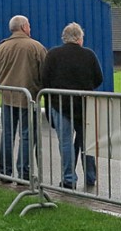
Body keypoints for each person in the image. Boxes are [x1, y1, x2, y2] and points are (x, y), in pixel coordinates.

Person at [40, 23, 102, 189]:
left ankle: (69, 179)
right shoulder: (89, 55)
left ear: (64, 38)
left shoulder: (53, 54)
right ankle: (90, 176)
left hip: (60, 104)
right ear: (79, 38)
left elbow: (44, 79)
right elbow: (99, 78)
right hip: (83, 105)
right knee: (86, 142)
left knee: (65, 142)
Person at [0, 15, 47, 183]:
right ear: (23, 27)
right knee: (27, 136)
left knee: (7, 134)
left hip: (7, 97)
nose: (30, 28)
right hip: (29, 98)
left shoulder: (1, 48)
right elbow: (44, 73)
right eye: (29, 25)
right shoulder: (36, 47)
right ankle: (24, 173)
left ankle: (5, 172)